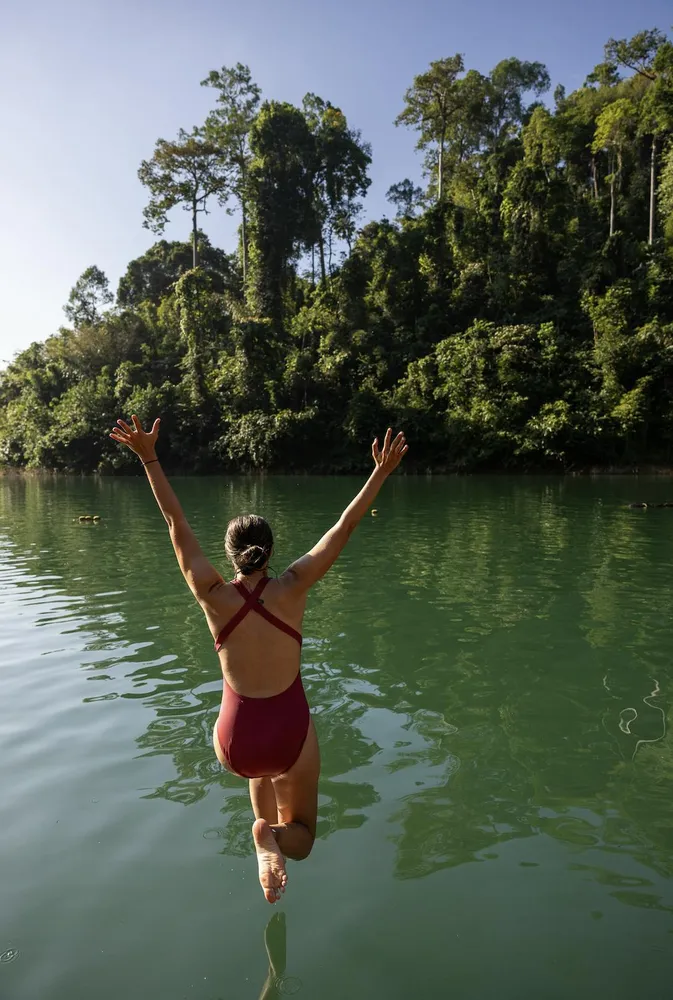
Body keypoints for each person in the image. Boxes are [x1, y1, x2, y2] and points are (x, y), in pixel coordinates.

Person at [110, 416, 408, 903]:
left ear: (232, 555)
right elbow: (345, 525)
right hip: (288, 728)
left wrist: (148, 456)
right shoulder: (294, 586)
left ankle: (261, 833)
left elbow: (174, 521)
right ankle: (271, 839)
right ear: (270, 552)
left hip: (235, 739)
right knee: (304, 836)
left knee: (258, 769)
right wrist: (380, 472)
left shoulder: (211, 593)